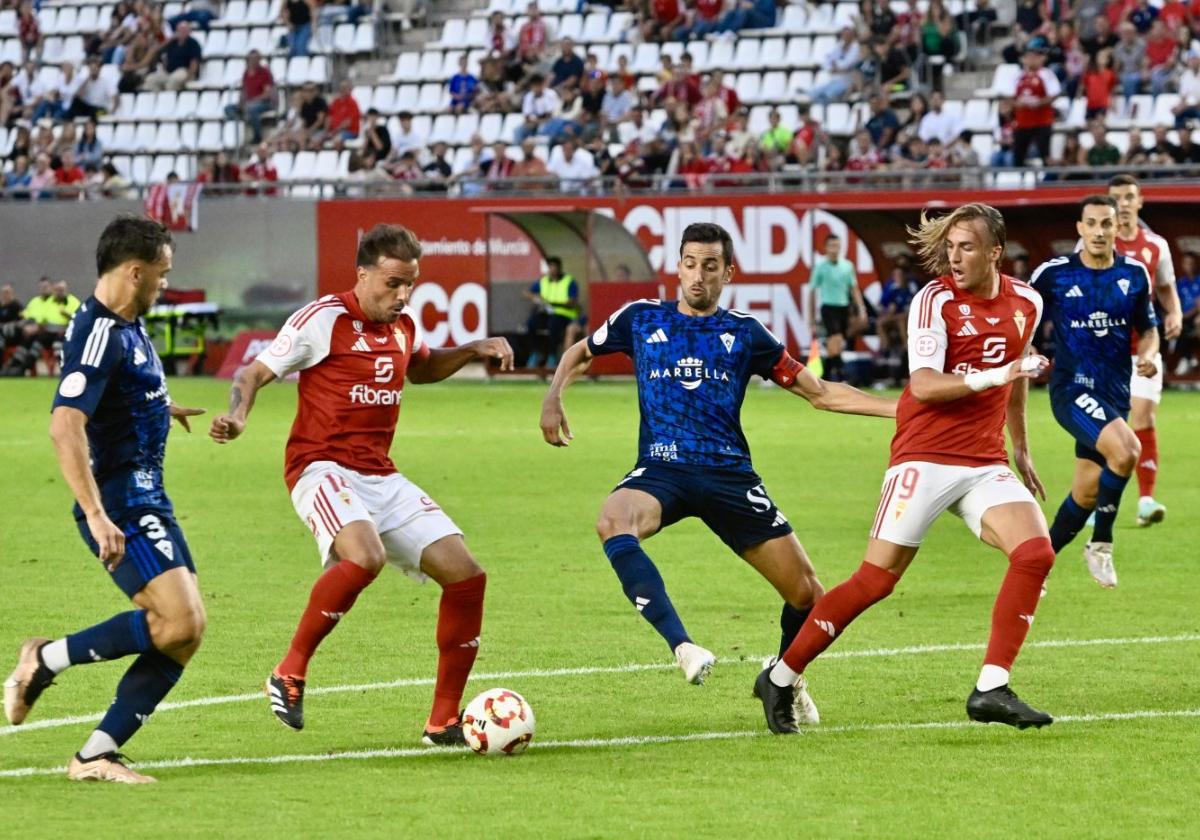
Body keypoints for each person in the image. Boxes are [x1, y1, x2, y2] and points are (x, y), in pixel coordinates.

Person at [538, 222, 895, 722]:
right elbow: (580, 352)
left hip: (729, 475)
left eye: (710, 266)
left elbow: (820, 392)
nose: (698, 275)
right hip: (661, 467)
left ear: (729, 272)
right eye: (689, 264)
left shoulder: (746, 333)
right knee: (611, 520)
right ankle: (682, 647)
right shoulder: (639, 318)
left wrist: (902, 409)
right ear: (677, 267)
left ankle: (782, 678)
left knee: (808, 594)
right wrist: (554, 395)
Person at [757, 203, 1056, 734]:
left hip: (985, 461)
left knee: (1035, 553)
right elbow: (924, 387)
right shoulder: (934, 300)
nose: (954, 257)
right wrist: (1000, 372)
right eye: (950, 246)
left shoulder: (1026, 300)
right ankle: (781, 676)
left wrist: (1022, 446)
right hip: (924, 453)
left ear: (994, 252)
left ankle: (991, 686)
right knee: (875, 581)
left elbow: (1019, 373)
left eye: (967, 247)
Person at [208, 224, 514, 745]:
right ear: (363, 273)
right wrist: (238, 418)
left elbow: (419, 370)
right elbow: (252, 374)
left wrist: (470, 349)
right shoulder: (324, 319)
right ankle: (289, 670)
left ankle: (442, 722)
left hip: (380, 473)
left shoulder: (402, 326)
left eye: (410, 285)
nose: (401, 296)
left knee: (467, 577)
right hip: (320, 466)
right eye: (392, 283)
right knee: (364, 555)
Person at [3, 216, 207, 783]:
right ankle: (43, 660)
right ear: (134, 270)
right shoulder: (99, 333)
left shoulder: (128, 324)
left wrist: (157, 408)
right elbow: (65, 425)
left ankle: (94, 755)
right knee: (177, 621)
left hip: (148, 495)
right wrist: (96, 514)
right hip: (118, 500)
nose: (166, 283)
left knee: (186, 630)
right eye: (162, 274)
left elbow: (119, 392)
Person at [1032, 195, 1158, 589]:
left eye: (1107, 223)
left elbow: (1149, 327)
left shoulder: (1135, 274)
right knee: (1127, 450)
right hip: (1071, 389)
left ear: (1118, 228)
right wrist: (1028, 351)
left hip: (1115, 392)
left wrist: (1150, 354)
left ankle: (1036, 567)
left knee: (1085, 493)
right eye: (1092, 223)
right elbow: (1021, 316)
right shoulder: (1054, 274)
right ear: (1080, 229)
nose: (1100, 231)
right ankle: (1101, 543)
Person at [1105, 174, 1181, 526]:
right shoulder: (1094, 243)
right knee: (1106, 427)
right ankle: (1099, 500)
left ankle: (1146, 500)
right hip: (1104, 349)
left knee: (1142, 418)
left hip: (1144, 348)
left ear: (1140, 201)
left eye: (1128, 197)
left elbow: (1165, 287)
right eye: (1116, 197)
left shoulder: (1156, 246)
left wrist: (1175, 312)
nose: (1122, 203)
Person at [809, 234, 867, 383]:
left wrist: (861, 309)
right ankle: (841, 376)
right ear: (826, 248)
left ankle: (825, 377)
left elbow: (854, 288)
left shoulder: (847, 266)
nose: (835, 249)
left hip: (844, 308)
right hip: (829, 308)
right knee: (837, 340)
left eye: (837, 246)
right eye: (832, 246)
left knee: (834, 345)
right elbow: (812, 291)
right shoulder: (821, 267)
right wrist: (811, 317)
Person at [523, 256, 578, 369]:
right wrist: (535, 297)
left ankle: (552, 356)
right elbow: (526, 292)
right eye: (550, 266)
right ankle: (535, 353)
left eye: (554, 266)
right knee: (531, 324)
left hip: (563, 314)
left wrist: (555, 303)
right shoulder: (543, 281)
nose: (552, 269)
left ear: (559, 268)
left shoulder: (569, 281)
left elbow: (572, 302)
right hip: (546, 312)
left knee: (553, 325)